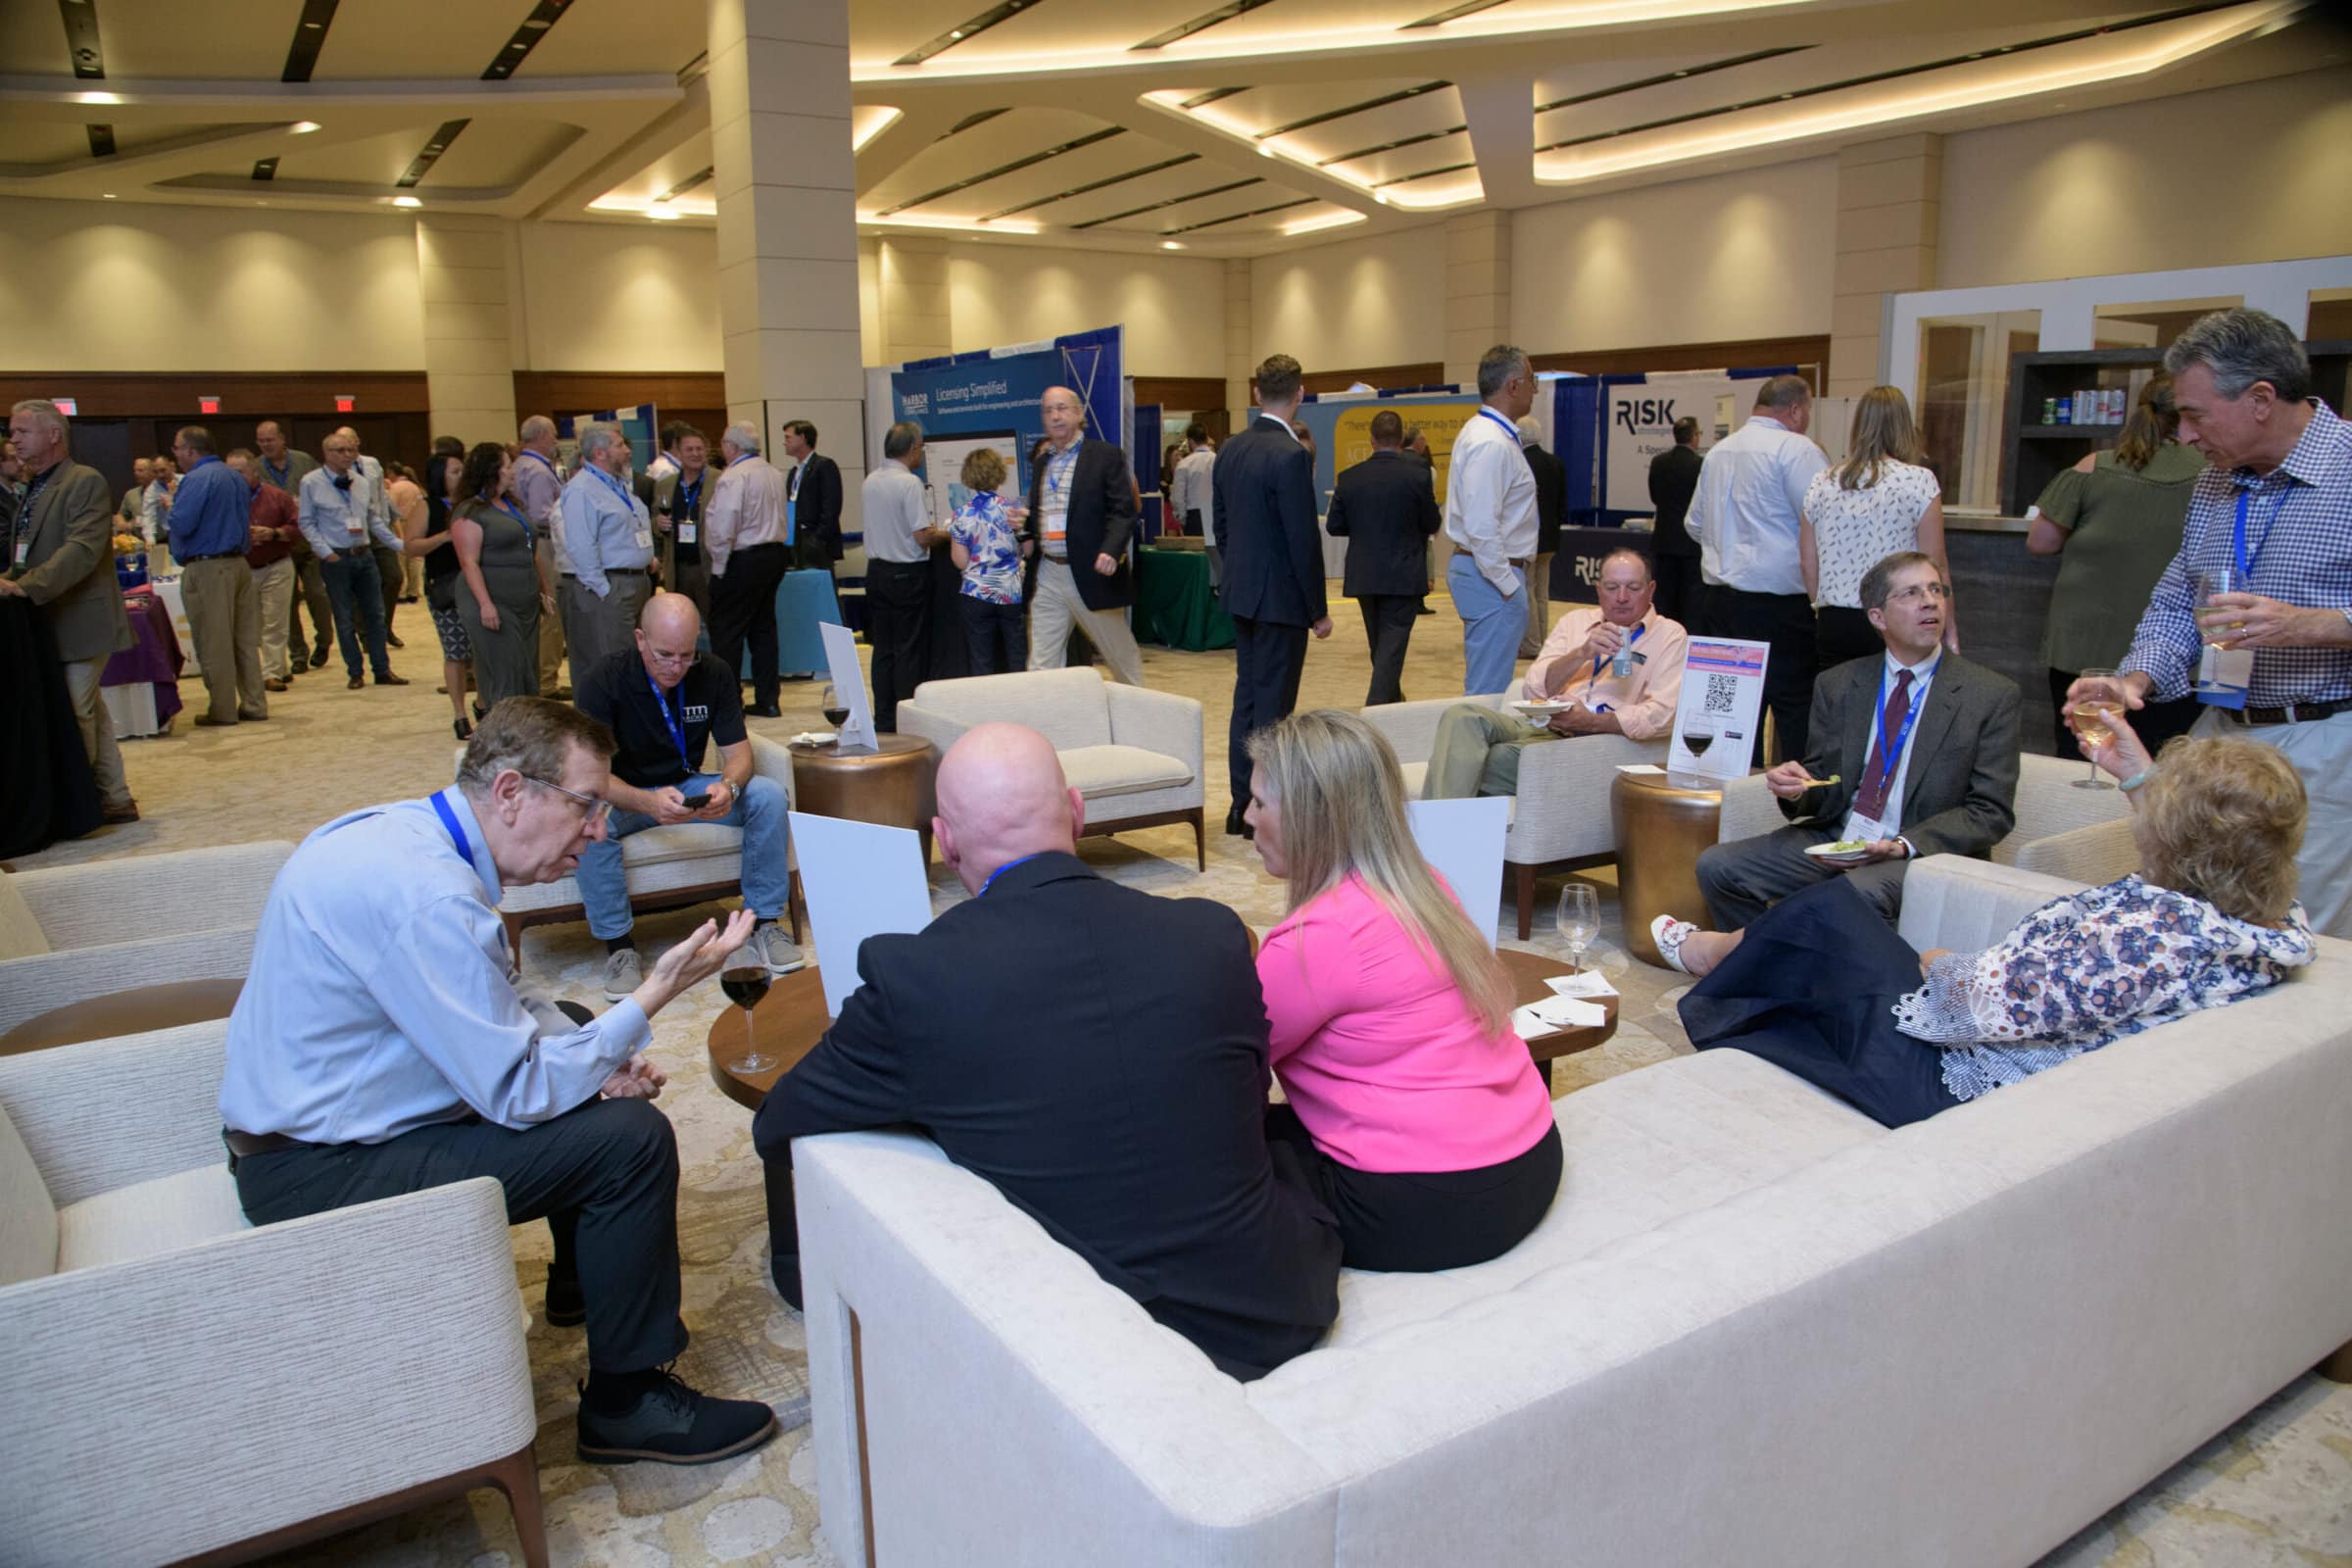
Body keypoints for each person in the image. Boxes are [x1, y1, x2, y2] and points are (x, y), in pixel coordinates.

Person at [218, 698, 781, 1467]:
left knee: (576, 1016)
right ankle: (626, 1402)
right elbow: (516, 1093)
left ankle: (583, 1278)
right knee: (630, 1141)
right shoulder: (430, 897)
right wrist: (654, 995)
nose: (598, 831)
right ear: (512, 792)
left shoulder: (410, 836)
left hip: (318, 1121)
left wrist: (593, 1045)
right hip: (318, 1170)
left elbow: (499, 997)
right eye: (587, 807)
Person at [753, 722, 1342, 1379]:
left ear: (944, 844)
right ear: (1079, 813)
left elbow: (779, 1125)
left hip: (1078, 1346)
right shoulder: (1211, 936)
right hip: (1274, 1308)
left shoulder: (917, 977)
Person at [1659, 713, 2313, 1129]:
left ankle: (1710, 959)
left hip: (1952, 1086)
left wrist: (1939, 962)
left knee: (1827, 920)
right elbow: (2212, 839)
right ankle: (1718, 958)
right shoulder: (2265, 918)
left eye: (2159, 801)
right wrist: (2138, 774)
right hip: (2003, 1041)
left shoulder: (2140, 943)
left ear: (2176, 831)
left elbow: (1968, 1007)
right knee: (1834, 927)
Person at [1245, 710, 1561, 1270]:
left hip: (1426, 1204)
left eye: (1260, 803)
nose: (1248, 818)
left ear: (1309, 816)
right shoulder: (1424, 885)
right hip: (1531, 1159)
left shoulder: (1316, 937)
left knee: (1194, 1151)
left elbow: (1236, 1057)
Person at [2079, 306, 2352, 939]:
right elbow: (2178, 601)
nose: (2184, 434)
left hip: (2323, 737)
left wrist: (2310, 625)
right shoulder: (2214, 485)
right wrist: (2135, 681)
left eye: (2196, 414)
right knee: (2188, 913)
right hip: (2222, 732)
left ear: (2261, 399)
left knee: (2297, 931)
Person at [1695, 552, 2019, 930]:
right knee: (1718, 867)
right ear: (1877, 617)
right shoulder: (1839, 685)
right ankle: (1775, 970)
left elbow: (1991, 812)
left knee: (1846, 896)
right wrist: (1798, 790)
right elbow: (1825, 780)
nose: (1930, 601)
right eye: (1911, 593)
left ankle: (1765, 965)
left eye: (1935, 590)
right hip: (1841, 838)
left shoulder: (1989, 695)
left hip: (1919, 854)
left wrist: (1902, 845)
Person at [574, 592, 803, 997]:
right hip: (624, 794)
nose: (677, 667)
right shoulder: (603, 680)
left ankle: (765, 923)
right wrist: (647, 802)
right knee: (590, 822)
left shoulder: (713, 673)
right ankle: (620, 948)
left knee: (767, 794)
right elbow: (591, 777)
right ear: (640, 639)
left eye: (686, 655)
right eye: (664, 655)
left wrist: (728, 786)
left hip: (687, 785)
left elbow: (739, 754)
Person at [2028, 372, 2204, 757]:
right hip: (2173, 660)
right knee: (2167, 763)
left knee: (2082, 758)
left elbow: (2040, 541)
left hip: (2084, 646)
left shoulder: (2095, 466)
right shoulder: (2212, 475)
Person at [1422, 547, 1690, 800]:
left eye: (1633, 588)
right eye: (1612, 587)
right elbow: (1534, 689)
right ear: (1598, 590)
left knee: (1469, 758)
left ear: (1650, 590)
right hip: (1541, 725)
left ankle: (1429, 837)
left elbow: (1662, 715)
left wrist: (1592, 722)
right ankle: (1441, 832)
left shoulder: (1669, 635)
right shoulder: (1576, 622)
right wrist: (1582, 653)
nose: (1621, 597)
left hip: (1592, 742)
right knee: (1462, 716)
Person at [2, 400, 137, 823]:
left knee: (76, 711)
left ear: (53, 435)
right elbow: (26, 555)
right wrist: (9, 577)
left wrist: (23, 587)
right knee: (89, 708)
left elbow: (81, 551)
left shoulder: (84, 481)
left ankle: (76, 805)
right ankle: (115, 797)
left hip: (83, 618)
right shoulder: (36, 484)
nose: (13, 440)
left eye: (22, 431)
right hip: (49, 617)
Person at [1216, 353, 1333, 838]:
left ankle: (1238, 803)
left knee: (1247, 697)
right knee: (1273, 709)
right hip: (1281, 601)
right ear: (1300, 394)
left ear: (1257, 394)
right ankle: (1258, 812)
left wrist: (1240, 574)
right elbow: (1302, 540)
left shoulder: (1231, 449)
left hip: (1242, 593)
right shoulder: (1290, 456)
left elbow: (1220, 526)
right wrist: (1318, 610)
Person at [1686, 374, 1829, 764]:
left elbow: (1694, 524)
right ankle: (1793, 805)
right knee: (1794, 710)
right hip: (1781, 606)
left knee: (1731, 715)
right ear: (1796, 410)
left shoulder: (1718, 452)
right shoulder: (1797, 450)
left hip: (1720, 603)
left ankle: (1733, 806)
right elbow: (1824, 521)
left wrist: (1728, 549)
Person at [1801, 385, 1947, 670]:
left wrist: (1820, 604)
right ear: (1904, 427)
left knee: (1839, 704)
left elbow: (1807, 561)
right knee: (1894, 705)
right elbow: (1935, 564)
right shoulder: (1919, 481)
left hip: (1835, 620)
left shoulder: (1823, 480)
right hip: (1897, 616)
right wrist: (1947, 624)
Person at [1024, 384, 1146, 687]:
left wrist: (1110, 549)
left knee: (1121, 658)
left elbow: (1123, 510)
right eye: (1048, 410)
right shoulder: (1042, 462)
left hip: (1090, 572)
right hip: (1049, 571)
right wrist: (1025, 528)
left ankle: (1142, 714)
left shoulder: (1104, 456)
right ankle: (1045, 724)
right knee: (1041, 663)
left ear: (1079, 414)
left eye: (1062, 408)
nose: (1055, 416)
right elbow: (1042, 512)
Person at [1325, 407, 1439, 706]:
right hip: (1403, 573)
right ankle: (1377, 706)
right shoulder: (1418, 475)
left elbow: (1335, 525)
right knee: (1390, 644)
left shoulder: (1349, 478)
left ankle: (1392, 701)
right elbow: (1432, 523)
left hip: (1365, 573)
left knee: (1381, 644)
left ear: (1371, 439)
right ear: (1401, 439)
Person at [1445, 344, 1541, 697]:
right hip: (1490, 576)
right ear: (1514, 385)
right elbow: (1482, 525)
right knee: (1488, 693)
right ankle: (1476, 751)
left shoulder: (1489, 434)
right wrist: (1508, 585)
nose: (1536, 389)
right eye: (1533, 380)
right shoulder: (1491, 443)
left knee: (1488, 686)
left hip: (1486, 573)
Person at [164, 425, 269, 727]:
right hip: (238, 564)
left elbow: (181, 523)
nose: (175, 455)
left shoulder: (197, 478)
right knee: (244, 640)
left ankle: (222, 709)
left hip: (208, 567)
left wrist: (171, 506)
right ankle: (254, 703)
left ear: (189, 451)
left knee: (214, 640)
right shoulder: (234, 476)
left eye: (176, 449)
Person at [297, 429, 409, 691]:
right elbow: (306, 521)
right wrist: (325, 551)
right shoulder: (311, 482)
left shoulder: (360, 481)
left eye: (351, 450)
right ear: (327, 454)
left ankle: (382, 669)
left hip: (364, 554)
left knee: (376, 614)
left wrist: (398, 544)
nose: (348, 455)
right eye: (341, 451)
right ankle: (355, 671)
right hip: (336, 557)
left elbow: (373, 519)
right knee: (345, 617)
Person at [559, 421, 657, 696]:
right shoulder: (582, 490)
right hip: (611, 587)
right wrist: (604, 589)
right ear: (600, 453)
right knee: (613, 663)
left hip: (636, 583)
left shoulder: (617, 485)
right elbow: (581, 545)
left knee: (633, 661)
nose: (628, 450)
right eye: (620, 445)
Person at [452, 442, 548, 714]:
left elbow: (531, 550)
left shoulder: (510, 505)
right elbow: (468, 562)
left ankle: (519, 722)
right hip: (492, 600)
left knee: (526, 666)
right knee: (507, 667)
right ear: (490, 470)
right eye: (507, 466)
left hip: (524, 601)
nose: (512, 472)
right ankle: (505, 727)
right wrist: (485, 604)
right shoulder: (470, 511)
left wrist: (543, 589)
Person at [705, 420, 791, 719]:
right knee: (764, 630)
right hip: (774, 554)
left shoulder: (734, 476)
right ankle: (769, 699)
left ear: (731, 446)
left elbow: (724, 524)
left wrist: (718, 565)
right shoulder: (773, 473)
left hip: (744, 558)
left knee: (727, 633)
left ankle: (730, 704)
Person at [860, 420, 936, 732]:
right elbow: (921, 536)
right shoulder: (909, 484)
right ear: (913, 449)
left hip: (876, 572)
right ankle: (908, 719)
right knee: (908, 649)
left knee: (884, 649)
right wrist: (945, 534)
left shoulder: (870, 480)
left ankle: (884, 718)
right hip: (907, 574)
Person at [408, 442, 478, 739]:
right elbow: (410, 545)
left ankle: (484, 706)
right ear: (440, 475)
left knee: (481, 650)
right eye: (455, 471)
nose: (460, 475)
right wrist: (445, 537)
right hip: (445, 587)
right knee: (456, 652)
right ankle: (460, 714)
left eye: (462, 470)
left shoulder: (472, 504)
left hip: (477, 585)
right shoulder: (428, 506)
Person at [224, 449, 304, 692]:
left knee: (275, 621)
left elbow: (297, 526)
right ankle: (278, 666)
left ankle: (271, 673)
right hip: (243, 567)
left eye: (239, 472)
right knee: (253, 624)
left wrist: (274, 533)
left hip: (276, 564)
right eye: (230, 473)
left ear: (254, 472)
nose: (234, 477)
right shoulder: (224, 501)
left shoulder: (277, 497)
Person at [256, 420, 330, 671]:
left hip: (309, 543)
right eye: (261, 441)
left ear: (282, 439)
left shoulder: (304, 461)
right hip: (279, 546)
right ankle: (298, 653)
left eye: (270, 439)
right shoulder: (256, 468)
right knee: (286, 605)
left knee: (317, 596)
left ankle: (325, 641)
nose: (266, 444)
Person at [948, 447, 1029, 674]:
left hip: (976, 594)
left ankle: (984, 706)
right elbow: (1029, 549)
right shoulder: (1014, 510)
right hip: (1010, 591)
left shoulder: (961, 514)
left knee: (981, 658)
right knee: (1016, 656)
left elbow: (960, 560)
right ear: (1000, 474)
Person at [514, 416, 571, 699]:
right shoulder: (537, 471)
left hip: (530, 545)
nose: (556, 440)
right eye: (553, 435)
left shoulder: (521, 466)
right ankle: (547, 681)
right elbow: (541, 515)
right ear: (541, 436)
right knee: (551, 613)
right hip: (544, 545)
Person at [338, 427, 406, 650]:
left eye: (350, 440)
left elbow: (381, 494)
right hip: (355, 532)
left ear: (358, 441)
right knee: (361, 584)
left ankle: (384, 626)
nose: (347, 445)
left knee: (394, 577)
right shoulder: (337, 469)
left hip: (379, 528)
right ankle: (366, 634)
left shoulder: (372, 463)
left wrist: (394, 520)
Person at [1516, 416, 1567, 660]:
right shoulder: (1555, 462)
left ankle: (1531, 644)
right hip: (1550, 538)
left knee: (1528, 591)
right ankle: (1543, 641)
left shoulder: (1519, 462)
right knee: (1542, 593)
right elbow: (1562, 504)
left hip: (1527, 538)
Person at [1646, 415, 1704, 628]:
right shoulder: (1700, 465)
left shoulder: (1658, 462)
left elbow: (1654, 496)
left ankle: (1663, 640)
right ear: (1694, 437)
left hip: (1664, 540)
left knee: (1664, 599)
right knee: (1691, 602)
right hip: (1691, 543)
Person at [652, 425, 712, 624]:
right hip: (678, 568)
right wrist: (657, 524)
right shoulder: (665, 484)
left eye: (699, 449)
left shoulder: (720, 480)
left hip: (708, 566)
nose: (696, 454)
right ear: (678, 452)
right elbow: (653, 521)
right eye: (689, 449)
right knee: (680, 624)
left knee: (715, 624)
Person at [780, 419, 843, 572]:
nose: (784, 442)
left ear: (802, 438)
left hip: (815, 540)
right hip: (796, 540)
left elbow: (831, 507)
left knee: (821, 591)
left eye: (788, 438)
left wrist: (817, 539)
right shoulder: (794, 472)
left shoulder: (824, 466)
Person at [1172, 422, 1216, 538]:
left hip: (1194, 516)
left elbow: (1178, 497)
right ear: (1207, 438)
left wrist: (1182, 519)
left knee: (1195, 553)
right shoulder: (1218, 460)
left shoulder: (1184, 464)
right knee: (1214, 553)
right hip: (1215, 513)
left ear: (1190, 441)